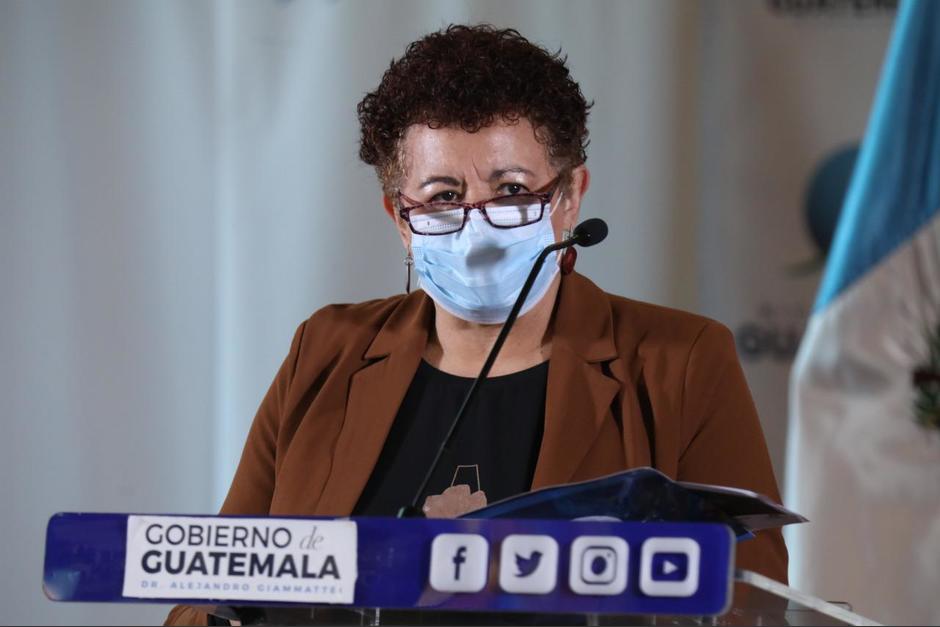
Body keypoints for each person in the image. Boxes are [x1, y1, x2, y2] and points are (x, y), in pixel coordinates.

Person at [167, 24, 786, 625]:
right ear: (399, 217)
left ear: (570, 196)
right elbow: (207, 595)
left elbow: (750, 605)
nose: (477, 228)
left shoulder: (681, 361)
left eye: (512, 190)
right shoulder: (328, 351)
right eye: (441, 197)